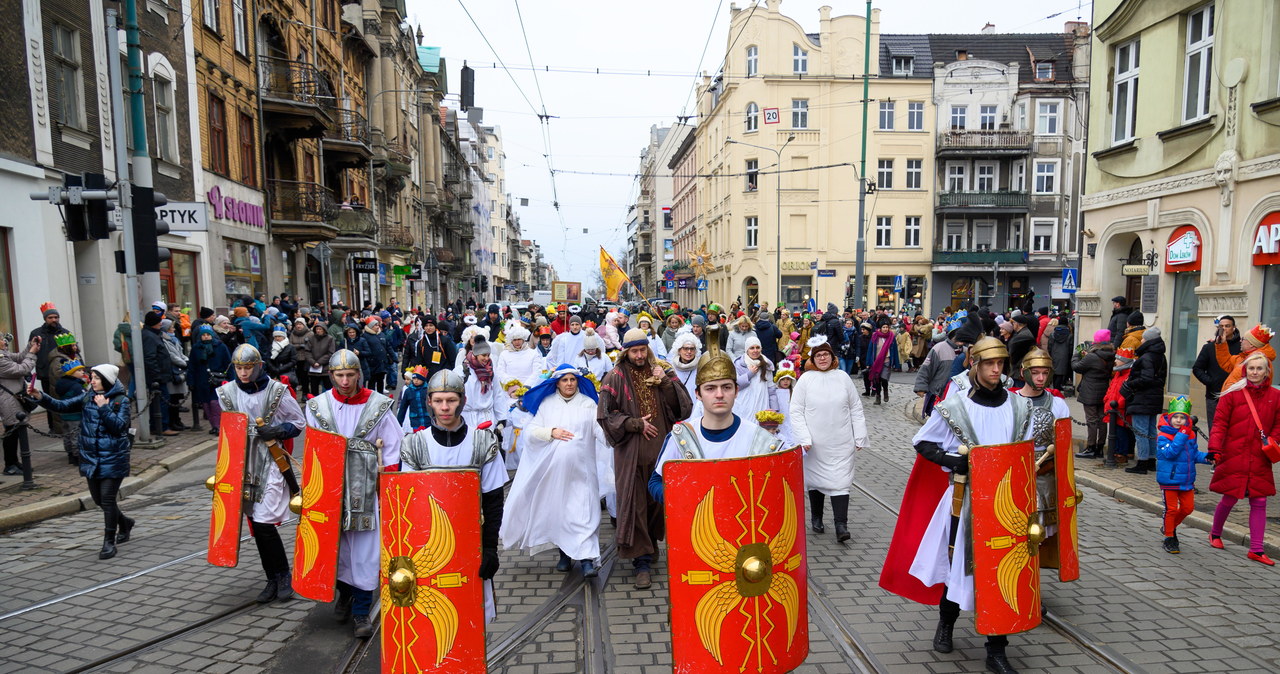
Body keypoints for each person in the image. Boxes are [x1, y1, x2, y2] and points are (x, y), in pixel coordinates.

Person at [879, 337, 1033, 674]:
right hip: (964, 502)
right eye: (990, 364)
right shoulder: (956, 406)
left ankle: (996, 650)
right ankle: (946, 623)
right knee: (958, 567)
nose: (996, 370)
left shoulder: (1019, 405)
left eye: (1001, 364)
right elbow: (923, 442)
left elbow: (1026, 451)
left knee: (1001, 571)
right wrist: (953, 460)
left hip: (1006, 507)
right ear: (975, 365)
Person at [304, 349, 402, 638]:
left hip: (366, 491)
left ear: (359, 374)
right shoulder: (318, 406)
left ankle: (361, 611)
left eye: (350, 374)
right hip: (330, 492)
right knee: (334, 549)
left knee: (363, 553)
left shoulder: (378, 405)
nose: (345, 381)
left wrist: (387, 490)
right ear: (331, 375)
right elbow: (313, 451)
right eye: (339, 375)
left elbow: (394, 449)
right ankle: (344, 594)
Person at [400, 370, 506, 617]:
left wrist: (490, 548)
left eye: (451, 400)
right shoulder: (414, 445)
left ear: (463, 401)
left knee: (473, 615)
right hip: (428, 548)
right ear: (429, 402)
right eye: (438, 401)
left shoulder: (484, 443)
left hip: (471, 542)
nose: (445, 407)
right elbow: (408, 503)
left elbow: (493, 501)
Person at [596, 327, 693, 589]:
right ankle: (641, 562)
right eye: (634, 351)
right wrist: (634, 423)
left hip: (662, 453)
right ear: (626, 352)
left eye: (642, 350)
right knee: (636, 504)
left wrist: (665, 382)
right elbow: (605, 415)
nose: (639, 355)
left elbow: (683, 407)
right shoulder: (615, 377)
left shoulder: (663, 370)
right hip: (631, 455)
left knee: (657, 503)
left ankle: (650, 544)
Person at [215, 344, 306, 602]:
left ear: (258, 366)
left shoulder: (277, 391)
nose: (243, 373)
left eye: (248, 368)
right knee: (255, 523)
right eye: (239, 368)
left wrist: (277, 431)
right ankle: (272, 578)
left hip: (271, 462)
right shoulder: (227, 393)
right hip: (242, 464)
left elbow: (298, 422)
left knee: (264, 522)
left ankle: (283, 575)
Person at [501, 365, 610, 577]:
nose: (569, 383)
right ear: (557, 383)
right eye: (565, 380)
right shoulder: (547, 404)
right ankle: (564, 555)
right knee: (560, 513)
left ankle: (587, 560)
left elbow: (602, 432)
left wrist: (620, 432)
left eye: (572, 379)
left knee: (585, 513)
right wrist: (551, 432)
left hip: (583, 473)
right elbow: (530, 432)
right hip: (556, 474)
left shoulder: (588, 404)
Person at [647, 339, 785, 503]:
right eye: (710, 388)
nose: (719, 394)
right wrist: (682, 497)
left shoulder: (757, 438)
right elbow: (656, 481)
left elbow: (776, 487)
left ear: (736, 391)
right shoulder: (682, 438)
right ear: (698, 394)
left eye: (726, 387)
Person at [30, 364, 133, 559]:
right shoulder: (87, 397)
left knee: (107, 499)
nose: (91, 381)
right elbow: (62, 406)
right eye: (91, 377)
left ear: (107, 380)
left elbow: (119, 427)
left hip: (113, 457)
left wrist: (104, 408)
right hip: (91, 457)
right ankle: (125, 522)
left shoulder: (121, 400)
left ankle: (108, 542)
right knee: (98, 500)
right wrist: (40, 396)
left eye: (96, 378)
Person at [791, 336, 868, 542]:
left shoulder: (843, 377)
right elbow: (796, 411)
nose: (823, 358)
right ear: (813, 359)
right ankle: (816, 517)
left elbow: (855, 408)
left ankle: (841, 525)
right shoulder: (805, 380)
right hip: (815, 443)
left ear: (832, 357)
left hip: (841, 441)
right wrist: (804, 438)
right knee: (815, 481)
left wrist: (860, 435)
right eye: (819, 356)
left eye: (826, 354)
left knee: (841, 481)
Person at [1207, 353, 1280, 566]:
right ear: (1245, 370)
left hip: (1259, 456)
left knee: (1259, 500)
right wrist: (1214, 449)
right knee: (1230, 497)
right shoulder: (1233, 393)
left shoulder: (1275, 396)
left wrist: (1273, 440)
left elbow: (1278, 423)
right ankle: (1215, 533)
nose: (1255, 372)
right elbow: (1219, 423)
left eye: (1259, 368)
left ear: (1267, 371)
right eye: (1251, 368)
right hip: (1234, 453)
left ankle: (1256, 549)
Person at [1155, 396, 1212, 554]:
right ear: (1170, 418)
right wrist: (1182, 434)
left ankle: (1168, 526)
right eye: (1176, 417)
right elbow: (1170, 453)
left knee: (1188, 508)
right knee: (1171, 510)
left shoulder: (1189, 435)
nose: (1179, 420)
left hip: (1186, 479)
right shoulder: (1163, 436)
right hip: (1169, 480)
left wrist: (1209, 458)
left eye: (1182, 418)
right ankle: (1169, 536)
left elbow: (1194, 455)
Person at [915, 312, 982, 418]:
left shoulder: (967, 351)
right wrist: (920, 387)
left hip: (957, 396)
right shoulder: (939, 348)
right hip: (938, 393)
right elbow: (926, 368)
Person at [1121, 326, 1167, 475]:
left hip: (1143, 398)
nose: (1141, 340)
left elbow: (1146, 379)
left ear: (1148, 340)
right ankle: (1151, 460)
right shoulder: (1161, 356)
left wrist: (1130, 383)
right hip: (1154, 397)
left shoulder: (1147, 357)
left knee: (1141, 431)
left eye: (1143, 338)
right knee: (1151, 431)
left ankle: (1142, 462)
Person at [1071, 330, 1115, 459]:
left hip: (1090, 391)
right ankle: (1100, 447)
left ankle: (1091, 447)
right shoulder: (1112, 354)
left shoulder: (1092, 357)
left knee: (1091, 420)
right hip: (1104, 390)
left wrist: (1076, 356)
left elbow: (1077, 367)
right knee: (1102, 419)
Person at [1192, 315, 1241, 429]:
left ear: (1234, 328)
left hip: (1236, 395)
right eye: (1221, 326)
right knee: (1215, 429)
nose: (1224, 329)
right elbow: (1197, 368)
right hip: (1214, 395)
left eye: (1227, 326)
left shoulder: (1241, 347)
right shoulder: (1209, 347)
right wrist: (1211, 382)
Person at [30, 303, 70, 433]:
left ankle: (66, 425)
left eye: (56, 317)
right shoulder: (36, 333)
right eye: (50, 317)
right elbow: (31, 352)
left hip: (62, 372)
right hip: (45, 373)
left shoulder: (65, 333)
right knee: (48, 400)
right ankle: (52, 427)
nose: (54, 320)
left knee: (64, 399)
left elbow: (72, 352)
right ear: (45, 319)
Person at [189, 325, 231, 436]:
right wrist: (191, 381)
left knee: (215, 403)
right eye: (203, 335)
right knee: (206, 404)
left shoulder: (221, 346)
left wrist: (231, 379)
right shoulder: (196, 348)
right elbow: (192, 366)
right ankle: (214, 426)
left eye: (208, 334)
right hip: (202, 380)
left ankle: (218, 426)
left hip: (218, 379)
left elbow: (228, 363)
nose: (206, 337)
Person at [1216, 324, 1275, 393]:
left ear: (1251, 344)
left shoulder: (1259, 361)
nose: (1240, 341)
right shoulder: (1244, 357)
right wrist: (1221, 344)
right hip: (1232, 397)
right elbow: (1227, 362)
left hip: (1239, 399)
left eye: (1243, 339)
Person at [456, 338, 499, 429]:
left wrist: (501, 418)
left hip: (486, 418)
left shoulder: (490, 372)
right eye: (483, 355)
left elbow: (498, 394)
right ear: (476, 355)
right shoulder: (461, 371)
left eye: (488, 355)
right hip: (466, 417)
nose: (486, 358)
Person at [53, 359, 89, 464]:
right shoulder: (76, 386)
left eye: (82, 370)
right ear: (71, 373)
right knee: (76, 435)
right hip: (76, 414)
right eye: (79, 370)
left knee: (67, 434)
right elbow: (83, 399)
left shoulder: (61, 383)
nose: (82, 372)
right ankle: (77, 456)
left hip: (64, 413)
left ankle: (70, 454)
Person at [732, 334, 774, 419]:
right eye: (752, 348)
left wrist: (774, 408)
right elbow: (735, 386)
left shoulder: (766, 364)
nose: (755, 350)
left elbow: (771, 389)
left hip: (762, 404)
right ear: (747, 350)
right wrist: (749, 374)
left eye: (757, 347)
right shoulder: (739, 364)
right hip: (745, 404)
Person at [159, 319, 190, 431]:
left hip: (179, 369)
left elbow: (180, 353)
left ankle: (177, 420)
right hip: (173, 371)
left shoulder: (174, 339)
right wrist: (184, 363)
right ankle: (173, 421)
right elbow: (172, 355)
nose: (173, 329)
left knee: (176, 399)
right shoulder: (164, 340)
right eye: (171, 327)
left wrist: (186, 360)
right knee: (172, 399)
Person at [668, 332, 702, 419]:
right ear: (679, 350)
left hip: (695, 410)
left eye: (692, 349)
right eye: (685, 348)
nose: (689, 352)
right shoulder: (671, 368)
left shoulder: (700, 368)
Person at [865, 322, 899, 405]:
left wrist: (896, 363)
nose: (885, 329)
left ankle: (885, 391)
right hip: (876, 361)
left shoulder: (891, 337)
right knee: (877, 380)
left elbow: (895, 350)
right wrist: (868, 362)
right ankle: (878, 396)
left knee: (884, 379)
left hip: (887, 361)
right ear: (880, 328)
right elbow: (870, 350)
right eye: (883, 327)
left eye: (887, 327)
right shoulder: (875, 336)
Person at [769, 362, 798, 448]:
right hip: (780, 418)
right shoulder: (775, 392)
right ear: (779, 380)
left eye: (788, 379)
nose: (785, 381)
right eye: (783, 379)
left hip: (791, 419)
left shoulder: (793, 392)